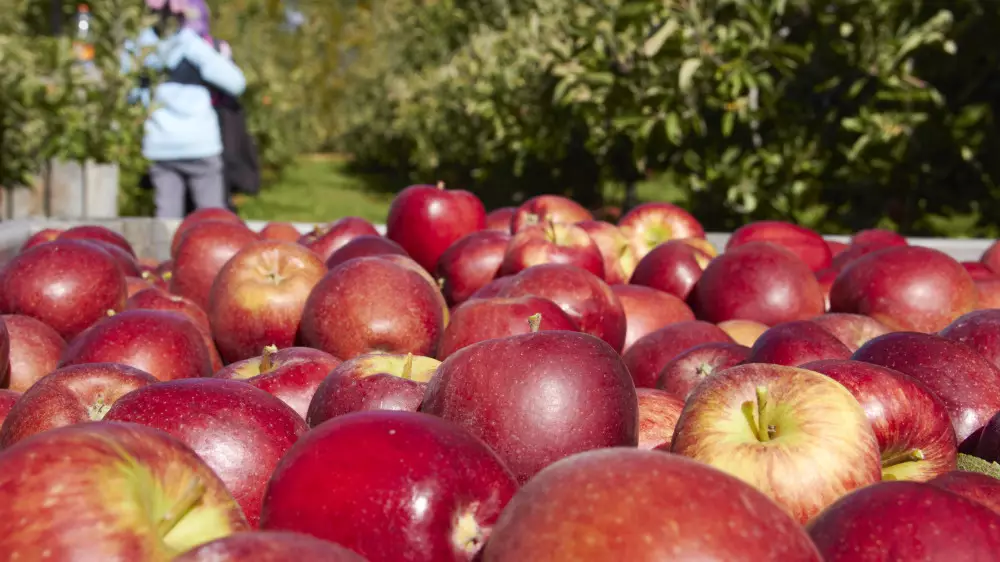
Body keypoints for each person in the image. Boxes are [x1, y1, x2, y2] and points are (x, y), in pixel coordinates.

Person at [122, 0, 246, 218]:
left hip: (160, 145)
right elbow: (236, 83)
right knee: (212, 221)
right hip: (201, 145)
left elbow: (128, 96)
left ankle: (165, 252)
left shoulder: (138, 50)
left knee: (167, 222)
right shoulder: (194, 47)